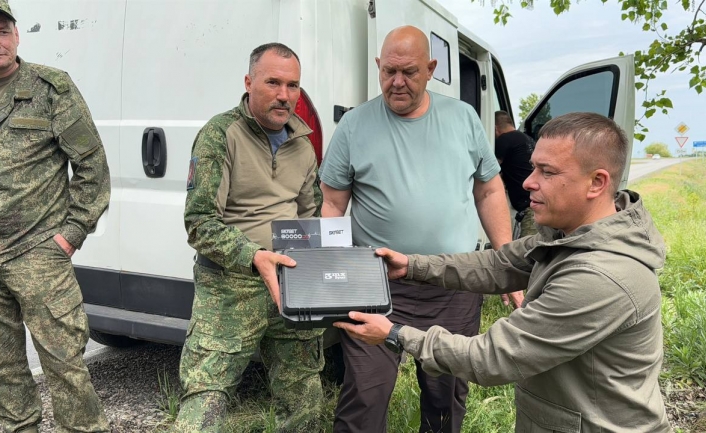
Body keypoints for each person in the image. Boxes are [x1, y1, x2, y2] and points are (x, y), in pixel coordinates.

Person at [336, 112, 672, 432]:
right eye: (533, 168)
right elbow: (499, 264)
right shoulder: (569, 236)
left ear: (596, 183)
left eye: (547, 172)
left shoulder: (598, 277)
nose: (528, 182)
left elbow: (493, 358)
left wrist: (395, 334)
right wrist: (412, 266)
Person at [319, 25, 517, 433]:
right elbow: (333, 204)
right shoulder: (353, 125)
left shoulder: (462, 118)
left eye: (409, 72)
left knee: (445, 395)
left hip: (453, 282)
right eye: (388, 71)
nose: (397, 82)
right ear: (378, 66)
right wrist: (331, 272)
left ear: (431, 69)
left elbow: (489, 190)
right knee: (365, 393)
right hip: (376, 284)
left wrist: (507, 264)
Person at [0, 1, 111, 432]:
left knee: (65, 364)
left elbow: (92, 167)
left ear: (17, 35)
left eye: (2, 31)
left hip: (38, 251)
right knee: (0, 369)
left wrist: (71, 234)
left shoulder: (50, 88)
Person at [174, 43, 324, 432]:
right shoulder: (220, 134)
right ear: (248, 82)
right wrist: (254, 255)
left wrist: (326, 276)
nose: (284, 95)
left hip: (290, 279)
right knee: (204, 403)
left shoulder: (303, 145)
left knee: (305, 400)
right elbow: (199, 222)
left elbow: (311, 217)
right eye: (273, 82)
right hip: (231, 283)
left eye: (293, 85)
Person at [494, 110, 537, 238]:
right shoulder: (528, 139)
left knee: (527, 247)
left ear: (495, 129)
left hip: (528, 207)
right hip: (536, 202)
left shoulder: (504, 140)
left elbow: (490, 170)